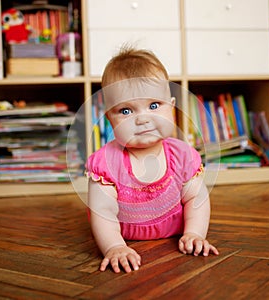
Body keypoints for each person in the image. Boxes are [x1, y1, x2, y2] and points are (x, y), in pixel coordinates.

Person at [85, 46, 219, 273]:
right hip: (123, 234)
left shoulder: (181, 156)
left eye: (154, 106)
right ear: (110, 118)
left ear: (172, 108)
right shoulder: (107, 164)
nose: (142, 119)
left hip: (178, 231)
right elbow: (103, 211)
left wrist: (195, 233)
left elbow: (196, 198)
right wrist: (115, 246)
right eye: (126, 111)